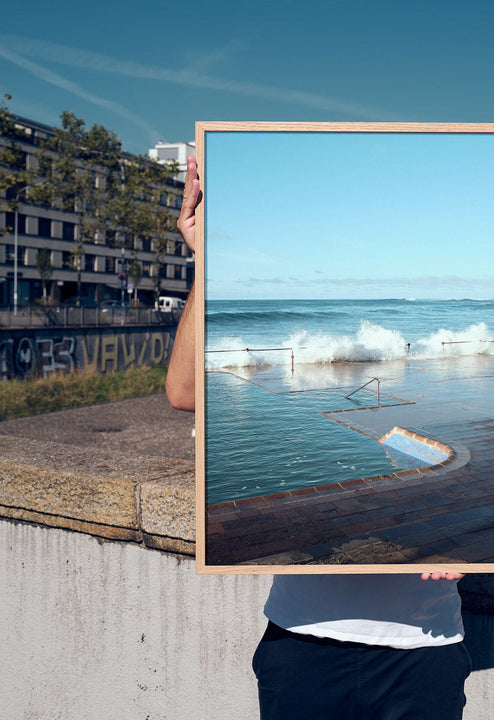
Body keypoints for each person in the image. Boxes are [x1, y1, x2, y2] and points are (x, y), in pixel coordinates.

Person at [166, 156, 471, 719]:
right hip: (299, 640)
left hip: (422, 648)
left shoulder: (458, 394)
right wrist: (206, 263)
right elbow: (184, 391)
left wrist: (471, 547)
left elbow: (491, 492)